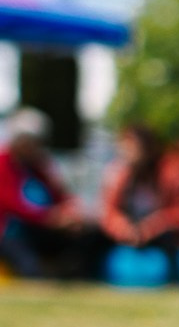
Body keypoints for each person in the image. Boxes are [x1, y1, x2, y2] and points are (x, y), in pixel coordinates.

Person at [0, 108, 105, 280]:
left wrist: (71, 212)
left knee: (89, 236)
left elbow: (59, 194)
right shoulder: (3, 163)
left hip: (40, 230)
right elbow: (12, 204)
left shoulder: (39, 166)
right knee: (33, 272)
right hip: (12, 235)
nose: (34, 147)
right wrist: (51, 218)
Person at [99, 124, 179, 280]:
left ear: (148, 149)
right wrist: (124, 229)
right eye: (124, 148)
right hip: (129, 234)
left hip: (162, 235)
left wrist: (151, 227)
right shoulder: (118, 173)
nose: (127, 153)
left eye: (132, 148)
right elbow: (108, 213)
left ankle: (174, 280)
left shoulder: (170, 172)